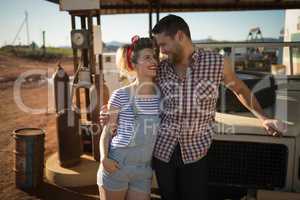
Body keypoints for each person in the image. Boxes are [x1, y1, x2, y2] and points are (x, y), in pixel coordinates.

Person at [100, 15, 287, 200]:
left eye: (164, 45)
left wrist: (263, 117)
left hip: (196, 151)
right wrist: (111, 111)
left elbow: (240, 89)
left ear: (180, 36)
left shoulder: (217, 63)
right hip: (162, 151)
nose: (162, 52)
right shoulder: (161, 68)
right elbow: (139, 89)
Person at [97, 36, 160, 200]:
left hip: (144, 170)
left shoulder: (161, 97)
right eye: (147, 57)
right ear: (134, 64)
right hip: (117, 166)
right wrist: (104, 159)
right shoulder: (120, 95)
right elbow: (107, 132)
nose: (154, 61)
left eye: (154, 56)